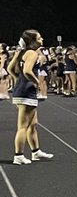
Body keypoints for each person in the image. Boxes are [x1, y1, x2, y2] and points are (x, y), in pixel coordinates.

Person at [9, 30, 53, 164]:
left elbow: (10, 69)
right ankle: (18, 155)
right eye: (39, 38)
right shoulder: (32, 53)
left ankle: (36, 152)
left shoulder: (22, 52)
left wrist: (19, 80)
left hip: (22, 90)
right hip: (26, 92)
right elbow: (28, 71)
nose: (42, 39)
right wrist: (37, 83)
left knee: (33, 124)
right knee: (23, 126)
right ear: (32, 41)